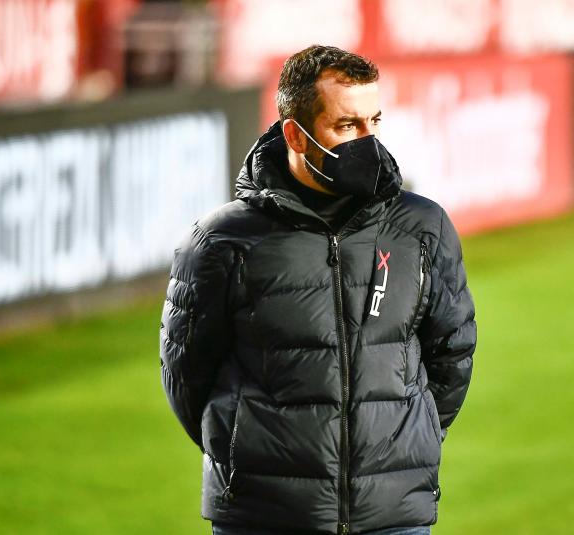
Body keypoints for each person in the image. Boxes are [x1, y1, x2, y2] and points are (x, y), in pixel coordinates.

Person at [159, 44, 477, 535]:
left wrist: (403, 445)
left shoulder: (422, 226)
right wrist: (250, 457)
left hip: (392, 515)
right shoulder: (222, 240)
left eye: (375, 121)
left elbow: (452, 353)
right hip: (264, 517)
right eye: (347, 126)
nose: (368, 141)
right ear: (297, 135)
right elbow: (187, 375)